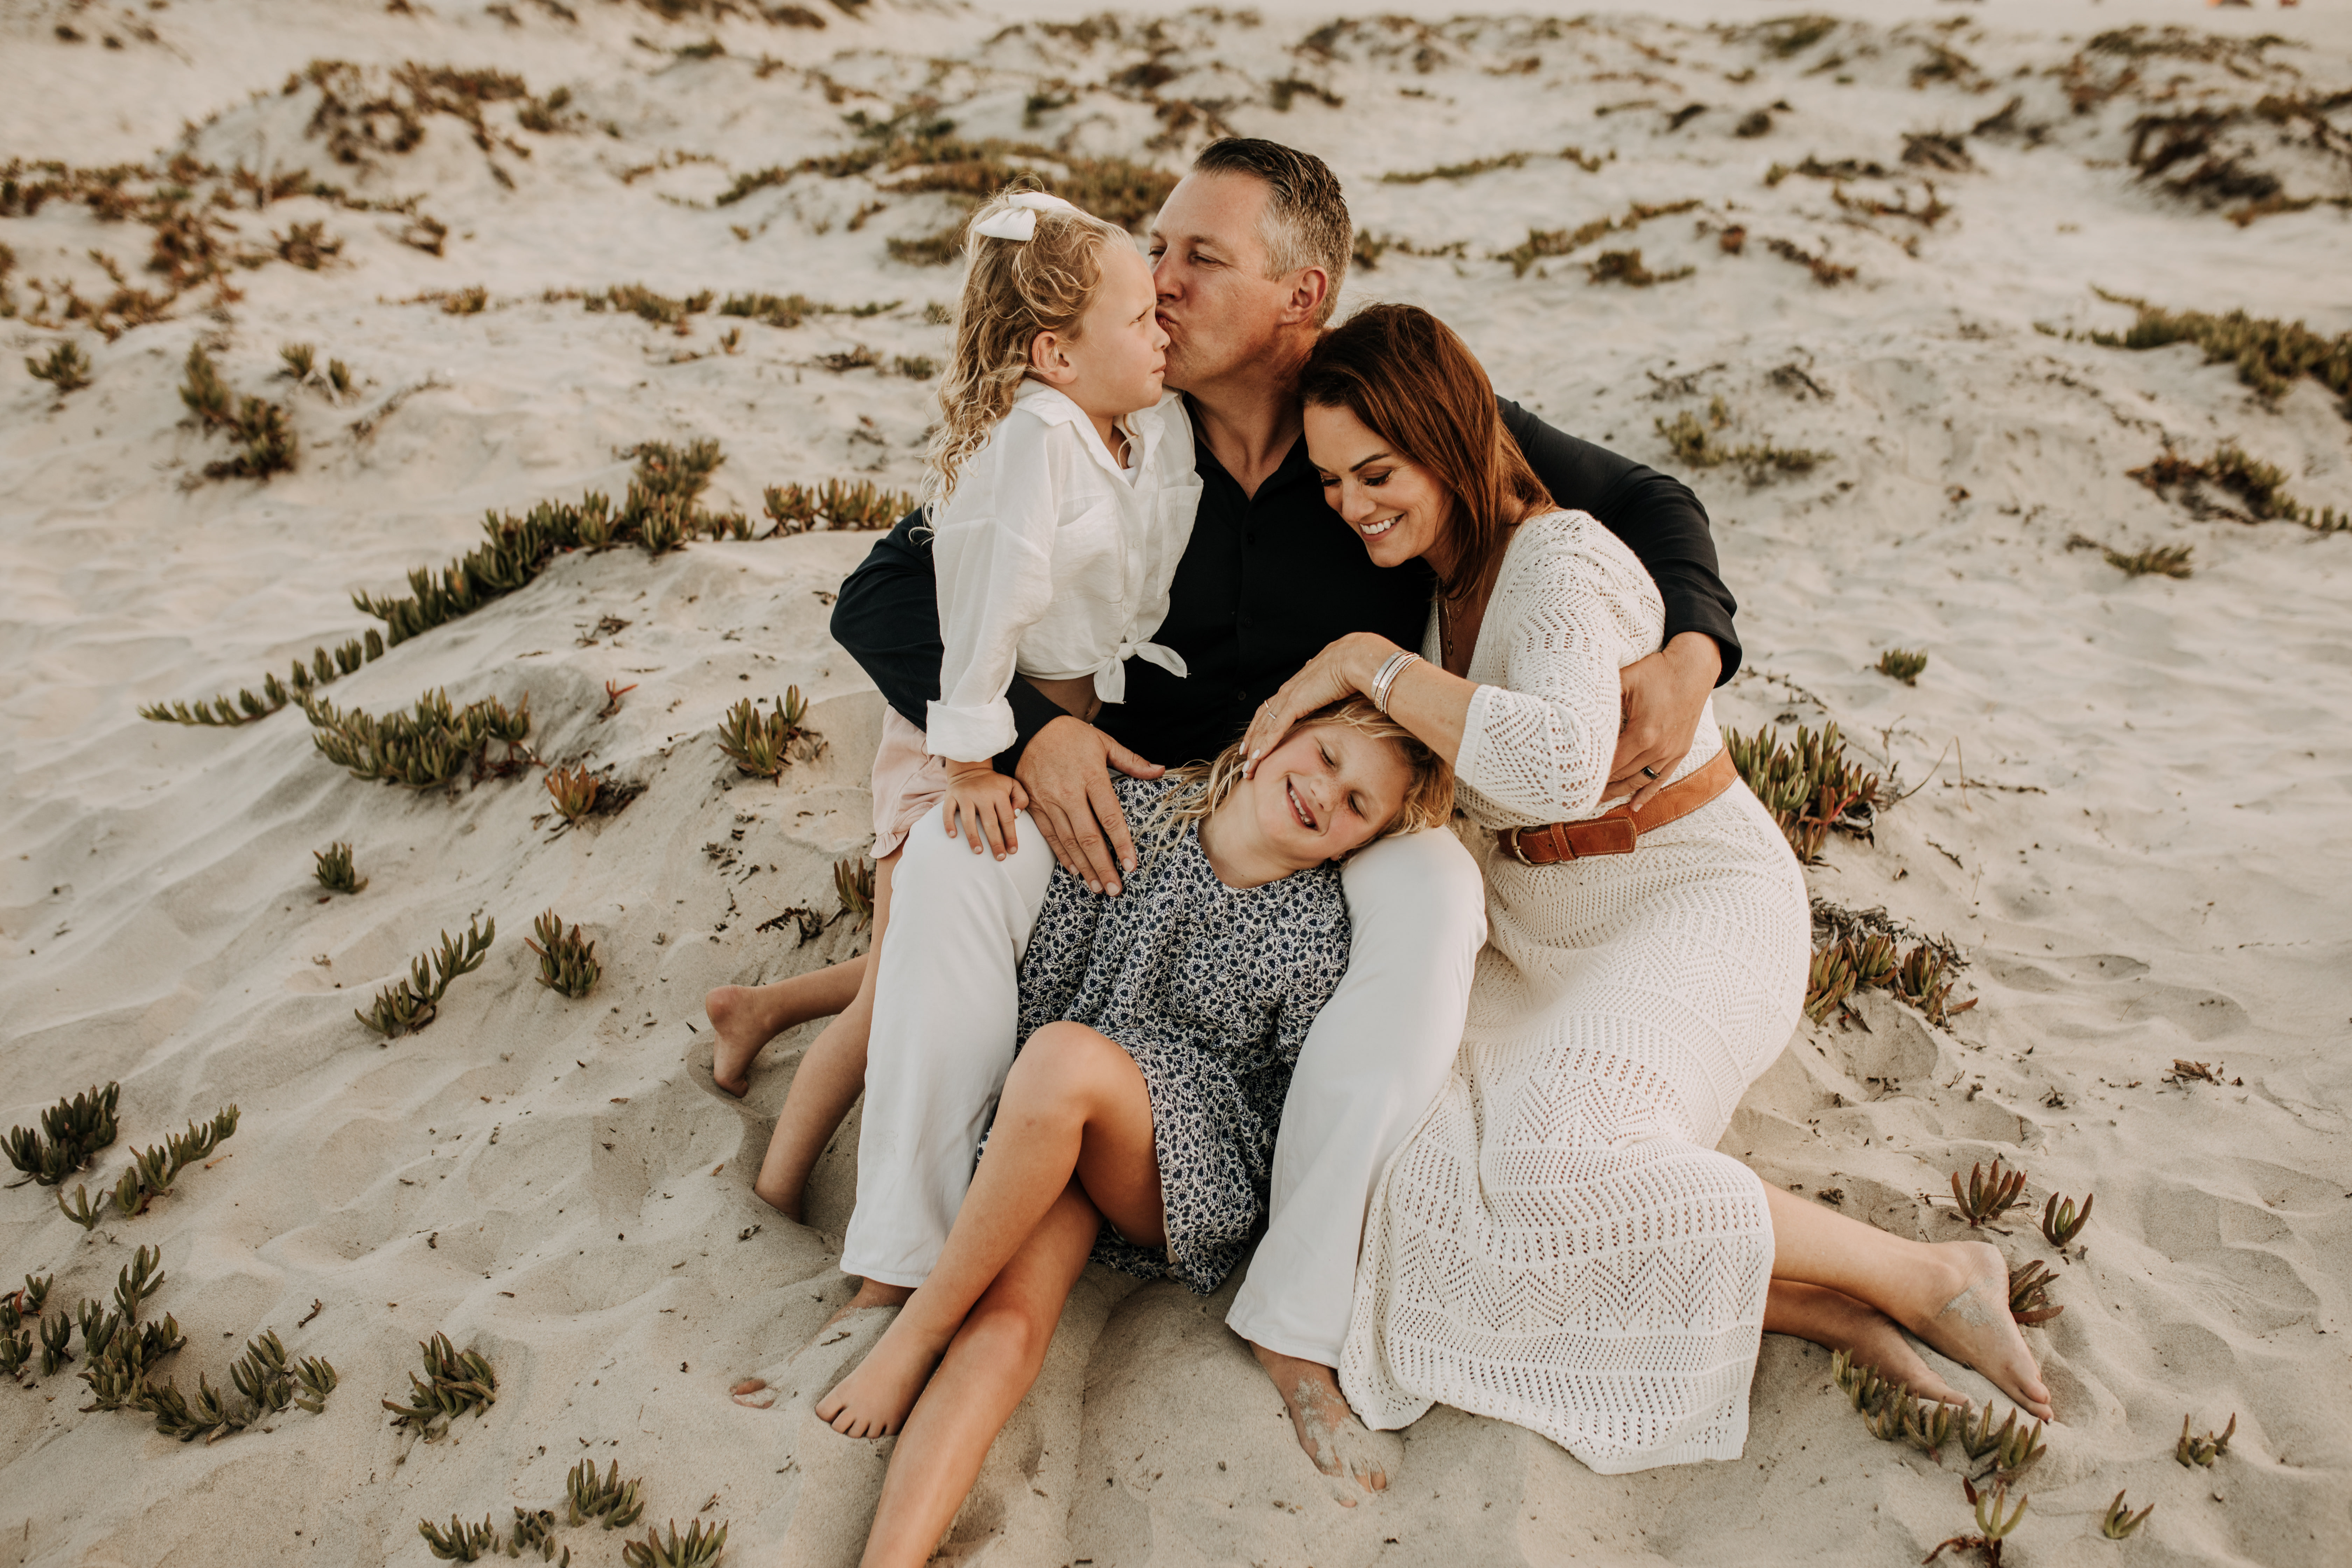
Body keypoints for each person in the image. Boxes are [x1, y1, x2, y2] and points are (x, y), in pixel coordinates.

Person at [818, 137, 1743, 1494]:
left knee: (1439, 900)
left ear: (1299, 297)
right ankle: (892, 1260)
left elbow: (1648, 500)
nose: (1162, 279)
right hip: (1136, 795)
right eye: (1160, 249)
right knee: (970, 855)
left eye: (1201, 256)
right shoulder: (1108, 418)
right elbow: (882, 596)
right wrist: (1042, 730)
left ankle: (1298, 1317)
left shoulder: (1368, 416)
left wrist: (1694, 651)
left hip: (1340, 796)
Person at [1234, 302, 2052, 1475]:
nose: (1354, 504)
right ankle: (1812, 1304)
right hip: (1535, 939)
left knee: (1555, 1158)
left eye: (1378, 471)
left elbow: (1562, 763)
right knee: (1418, 1173)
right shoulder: (1435, 583)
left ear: (1451, 439)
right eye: (1330, 481)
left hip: (1689, 904)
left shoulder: (1559, 560)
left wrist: (1364, 664)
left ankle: (1925, 1275)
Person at [814, 701, 1454, 1565]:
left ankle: (917, 1326)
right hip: (1055, 1132)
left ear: (1358, 842)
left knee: (1060, 1059)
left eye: (1358, 805)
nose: (1326, 794)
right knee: (1007, 1328)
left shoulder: (1319, 933)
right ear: (1276, 735)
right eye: (1327, 756)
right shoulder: (1137, 812)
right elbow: (1046, 955)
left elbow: (1306, 1104)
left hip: (1177, 1165)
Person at [702, 185, 1201, 1224]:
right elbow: (984, 604)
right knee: (900, 992)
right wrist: (973, 757)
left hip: (1035, 733)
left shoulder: (1129, 431)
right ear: (1056, 356)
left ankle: (759, 1009)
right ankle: (777, 1185)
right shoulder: (1039, 441)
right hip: (956, 738)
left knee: (914, 958)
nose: (1166, 326)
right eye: (1141, 316)